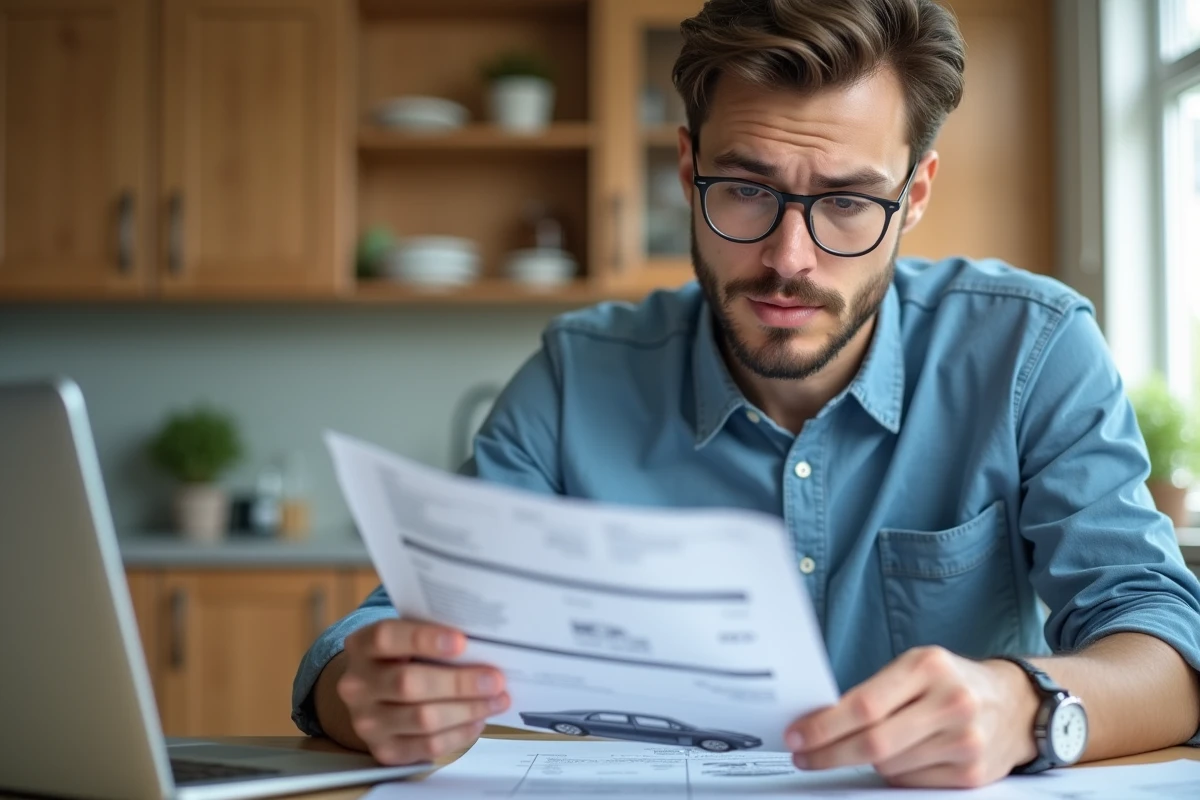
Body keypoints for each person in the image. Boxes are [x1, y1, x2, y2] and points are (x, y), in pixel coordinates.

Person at [292, 0, 1200, 788]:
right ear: (687, 168)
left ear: (916, 193)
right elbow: (383, 637)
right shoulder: (576, 377)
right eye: (745, 189)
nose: (788, 260)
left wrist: (1026, 706)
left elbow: (1166, 643)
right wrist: (362, 691)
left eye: (848, 202)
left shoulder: (1030, 351)